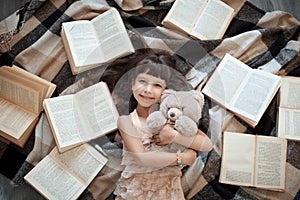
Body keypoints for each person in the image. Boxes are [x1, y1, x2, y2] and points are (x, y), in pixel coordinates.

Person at [112, 50, 213, 199]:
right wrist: (182, 158)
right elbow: (142, 158)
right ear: (132, 83)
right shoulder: (126, 121)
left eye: (157, 85)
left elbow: (206, 144)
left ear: (165, 91)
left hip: (169, 192)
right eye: (142, 82)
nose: (148, 90)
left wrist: (174, 136)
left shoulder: (173, 116)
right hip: (135, 194)